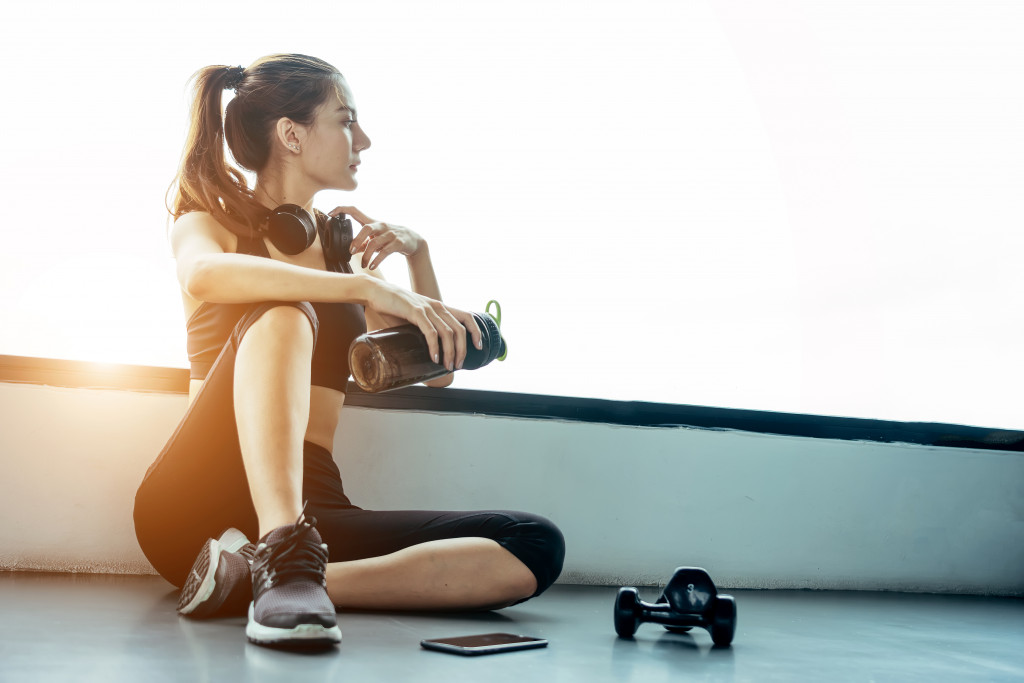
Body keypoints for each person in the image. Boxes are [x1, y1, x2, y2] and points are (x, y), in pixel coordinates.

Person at [133, 54, 565, 649]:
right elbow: (203, 276)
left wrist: (418, 257)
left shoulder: (348, 261)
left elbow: (437, 374)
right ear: (291, 134)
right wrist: (364, 286)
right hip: (197, 501)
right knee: (285, 313)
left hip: (316, 503)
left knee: (534, 543)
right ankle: (282, 556)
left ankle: (259, 579)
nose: (363, 139)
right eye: (346, 120)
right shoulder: (211, 222)